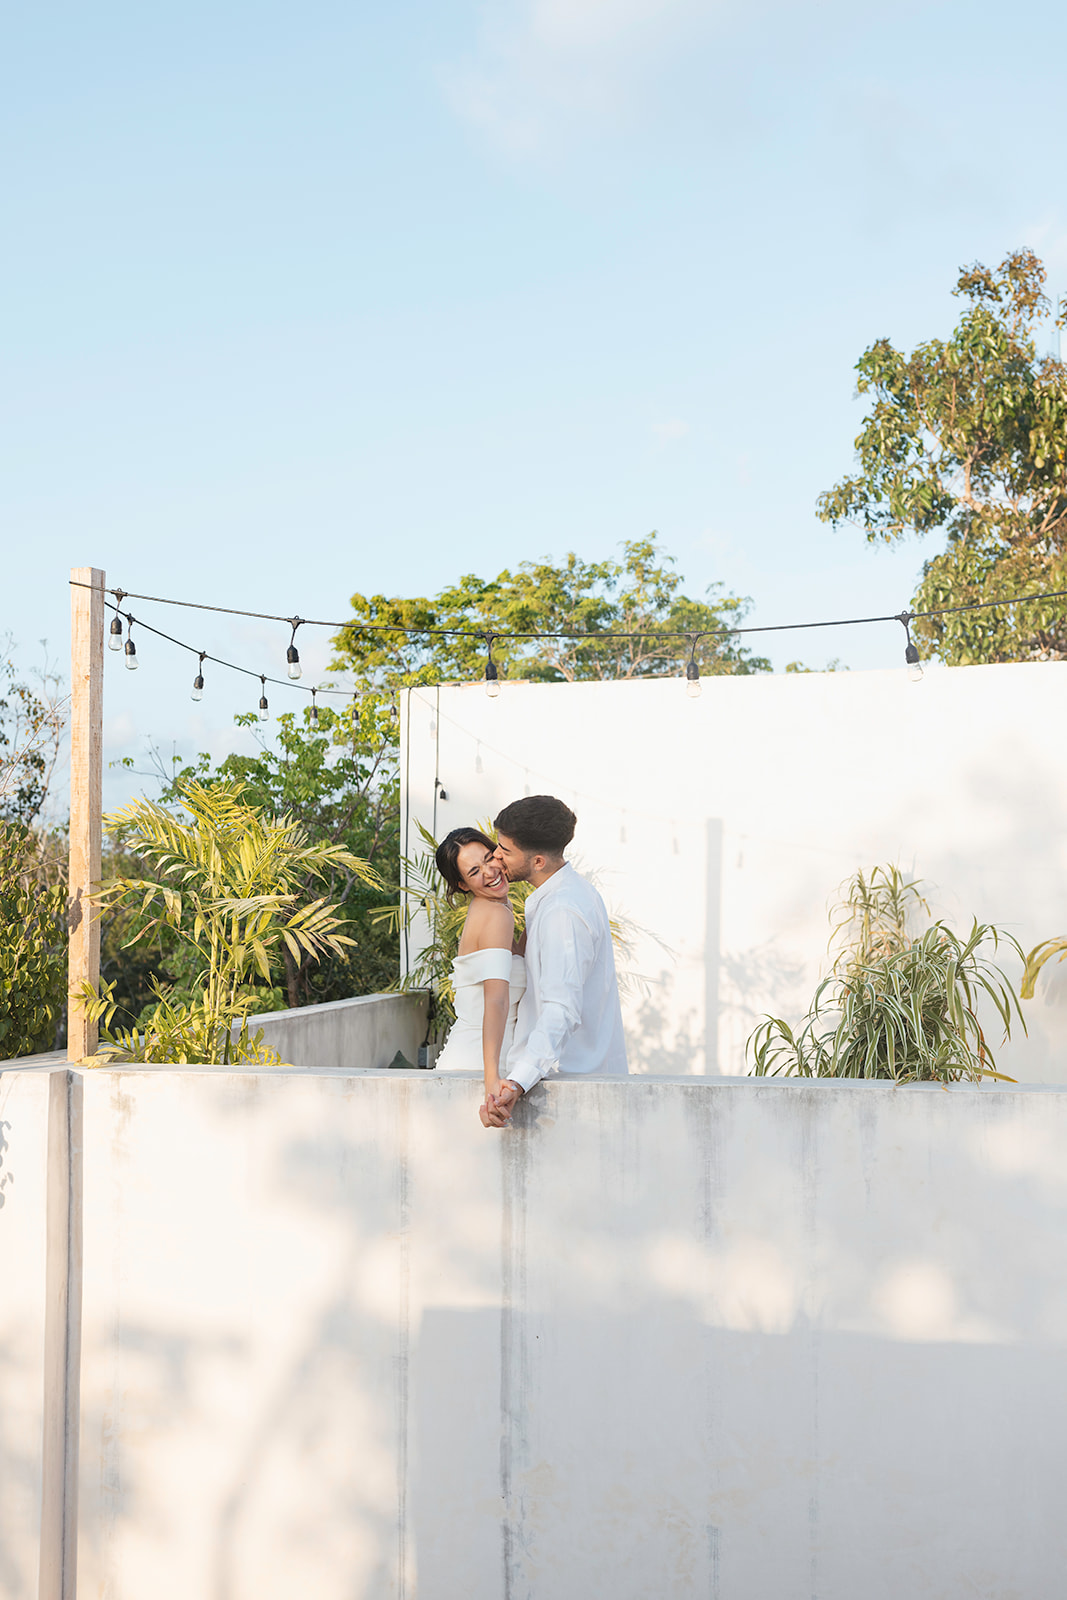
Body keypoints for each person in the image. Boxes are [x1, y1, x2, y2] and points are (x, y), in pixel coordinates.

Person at [483, 795, 627, 1130]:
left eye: (505, 850)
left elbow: (561, 1008)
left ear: (536, 861)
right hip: (566, 1088)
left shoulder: (563, 912)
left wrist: (518, 1081)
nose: (497, 856)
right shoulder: (564, 896)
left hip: (569, 1096)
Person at [432, 827, 527, 1115]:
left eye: (489, 858)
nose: (489, 872)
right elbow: (495, 1000)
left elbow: (517, 961)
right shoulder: (495, 913)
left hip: (486, 1062)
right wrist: (491, 1081)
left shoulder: (496, 906)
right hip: (475, 1066)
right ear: (462, 884)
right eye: (475, 871)